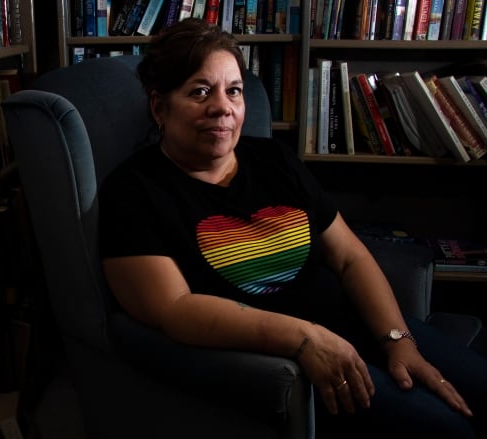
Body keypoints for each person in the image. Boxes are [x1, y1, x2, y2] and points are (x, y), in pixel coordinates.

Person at [98, 17, 487, 438]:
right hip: (289, 365)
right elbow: (174, 309)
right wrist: (303, 339)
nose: (223, 107)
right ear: (160, 107)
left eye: (234, 91)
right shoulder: (133, 192)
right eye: (200, 92)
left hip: (362, 328)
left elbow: (350, 257)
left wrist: (399, 341)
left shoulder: (274, 160)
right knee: (451, 431)